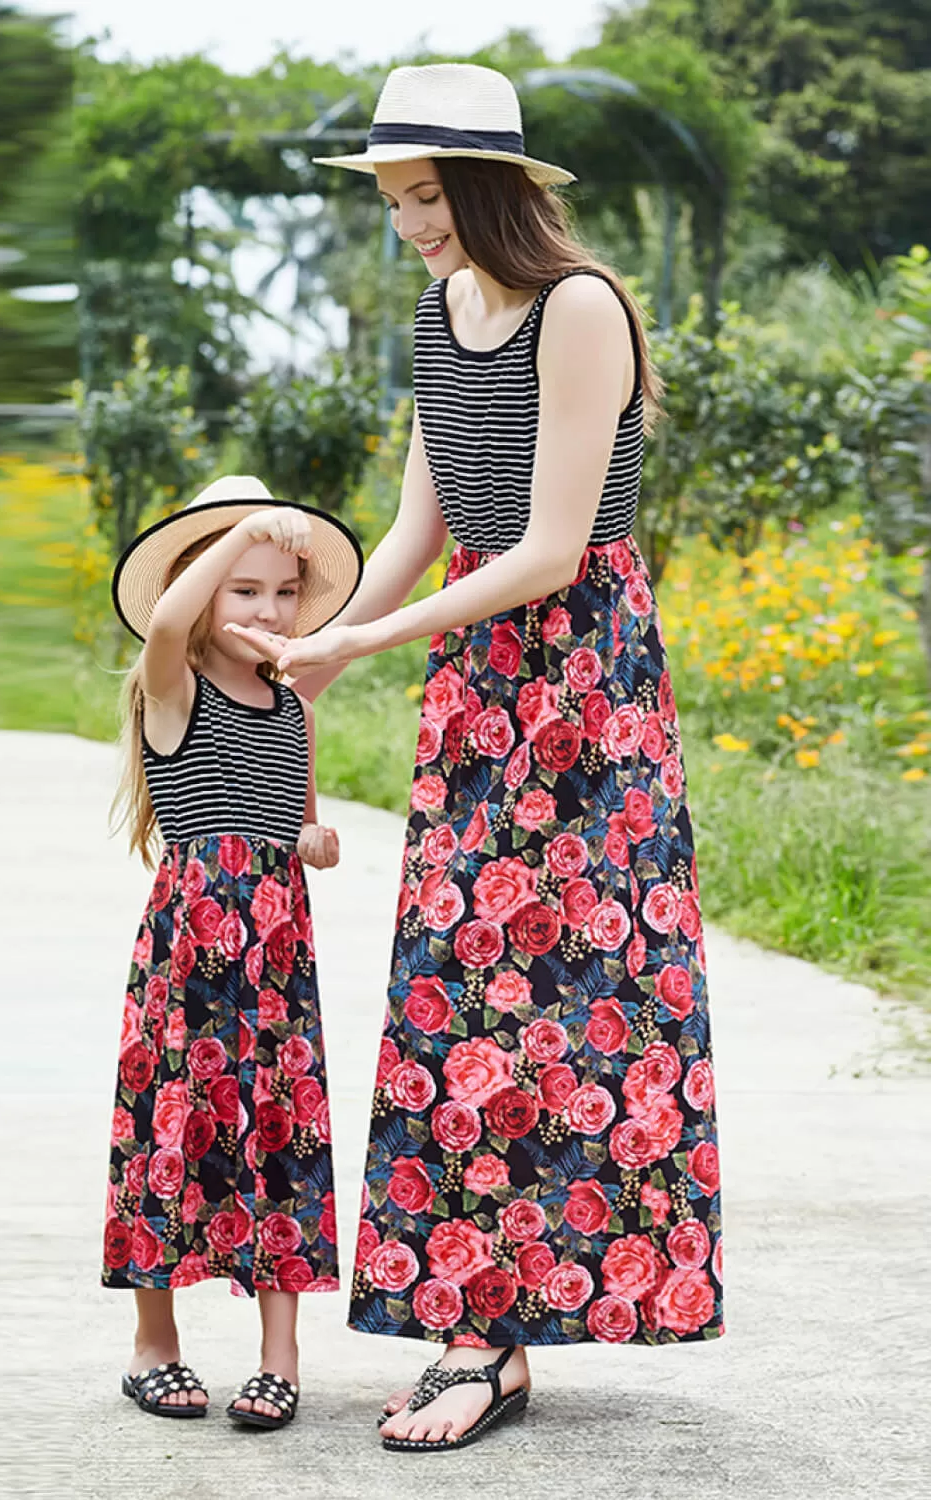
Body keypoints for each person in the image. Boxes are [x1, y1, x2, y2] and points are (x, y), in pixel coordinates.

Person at [236, 62, 724, 1454]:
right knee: (459, 986)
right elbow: (417, 522)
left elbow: (555, 551)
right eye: (394, 200)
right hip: (476, 680)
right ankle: (474, 1324)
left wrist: (369, 645)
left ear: (497, 187)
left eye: (428, 196)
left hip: (583, 679)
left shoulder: (579, 308)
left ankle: (497, 1335)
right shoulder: (439, 312)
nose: (409, 225)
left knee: (569, 996)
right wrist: (313, 640)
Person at [101, 475, 363, 1429]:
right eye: (244, 587)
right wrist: (247, 528)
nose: (268, 607)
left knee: (280, 1128)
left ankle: (279, 1356)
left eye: (284, 591)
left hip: (275, 954)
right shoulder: (172, 686)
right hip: (190, 953)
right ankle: (153, 1345)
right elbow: (165, 624)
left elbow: (294, 821)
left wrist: (314, 842)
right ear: (201, 586)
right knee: (172, 1130)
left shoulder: (292, 706)